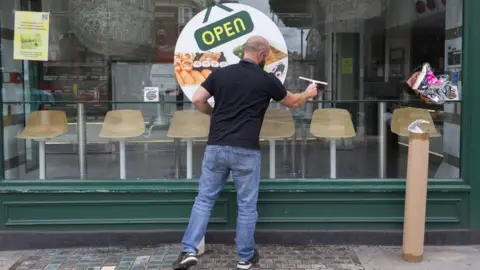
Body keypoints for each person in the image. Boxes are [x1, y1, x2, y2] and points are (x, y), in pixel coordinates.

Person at [172, 35, 319, 270]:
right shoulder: (266, 79)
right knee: (247, 205)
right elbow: (292, 102)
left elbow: (198, 99)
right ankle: (244, 258)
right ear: (261, 55)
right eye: (267, 56)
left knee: (204, 199)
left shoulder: (221, 74)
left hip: (216, 146)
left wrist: (213, 114)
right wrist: (309, 93)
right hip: (246, 150)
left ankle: (188, 250)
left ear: (245, 51)